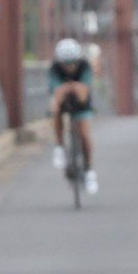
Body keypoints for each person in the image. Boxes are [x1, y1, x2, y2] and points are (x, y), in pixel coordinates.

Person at [48, 35, 97, 194]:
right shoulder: (55, 69)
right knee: (55, 111)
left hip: (81, 102)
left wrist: (69, 87)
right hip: (63, 100)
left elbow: (83, 93)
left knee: (84, 133)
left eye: (72, 63)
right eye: (66, 64)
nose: (70, 67)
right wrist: (68, 89)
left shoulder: (84, 67)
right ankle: (59, 147)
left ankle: (89, 170)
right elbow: (56, 95)